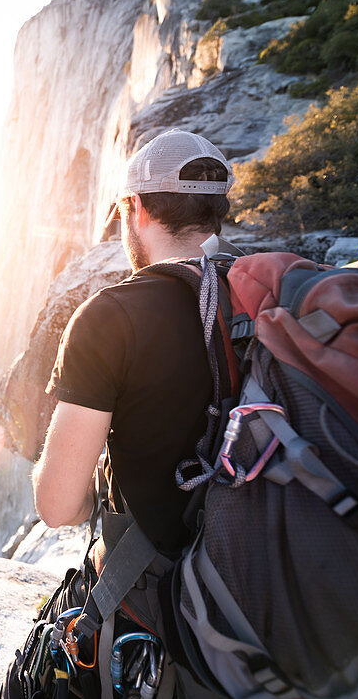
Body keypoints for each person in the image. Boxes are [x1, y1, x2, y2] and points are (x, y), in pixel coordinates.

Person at [33, 128, 231, 550]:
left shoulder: (110, 317)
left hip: (175, 599)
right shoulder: (268, 293)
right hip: (282, 577)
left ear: (136, 209)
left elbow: (57, 506)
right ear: (218, 212)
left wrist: (93, 493)